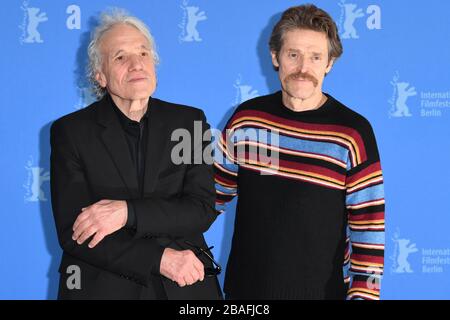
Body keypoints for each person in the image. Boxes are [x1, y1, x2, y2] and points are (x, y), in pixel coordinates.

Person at [214, 4, 385, 300]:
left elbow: (369, 225)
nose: (303, 68)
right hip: (244, 293)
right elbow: (208, 196)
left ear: (329, 62)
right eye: (293, 55)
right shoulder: (246, 119)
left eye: (315, 57)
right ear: (275, 57)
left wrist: (365, 297)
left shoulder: (353, 133)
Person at [50, 9, 222, 300]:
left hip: (184, 287)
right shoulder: (72, 132)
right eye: (120, 57)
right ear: (100, 76)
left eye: (143, 53)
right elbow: (74, 233)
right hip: (104, 286)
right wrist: (158, 258)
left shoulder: (189, 122)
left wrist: (126, 212)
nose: (136, 64)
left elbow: (201, 208)